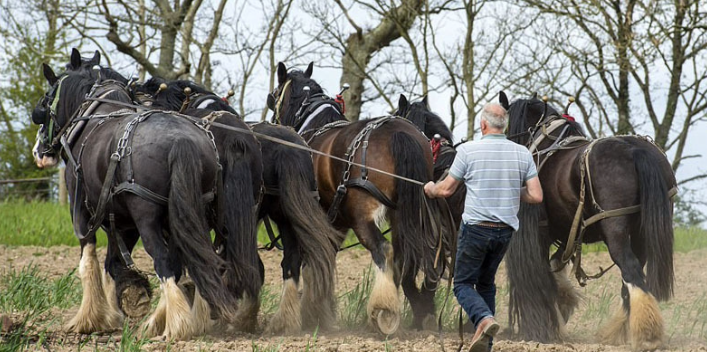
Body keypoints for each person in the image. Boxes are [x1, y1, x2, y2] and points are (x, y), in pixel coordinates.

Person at [424, 102, 543, 352]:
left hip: (476, 228)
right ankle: (485, 342)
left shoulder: (468, 151)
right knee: (486, 283)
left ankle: (484, 319)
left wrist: (431, 188)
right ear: (506, 126)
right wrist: (511, 190)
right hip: (505, 232)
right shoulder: (523, 153)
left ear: (483, 124)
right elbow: (536, 195)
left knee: (463, 284)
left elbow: (446, 189)